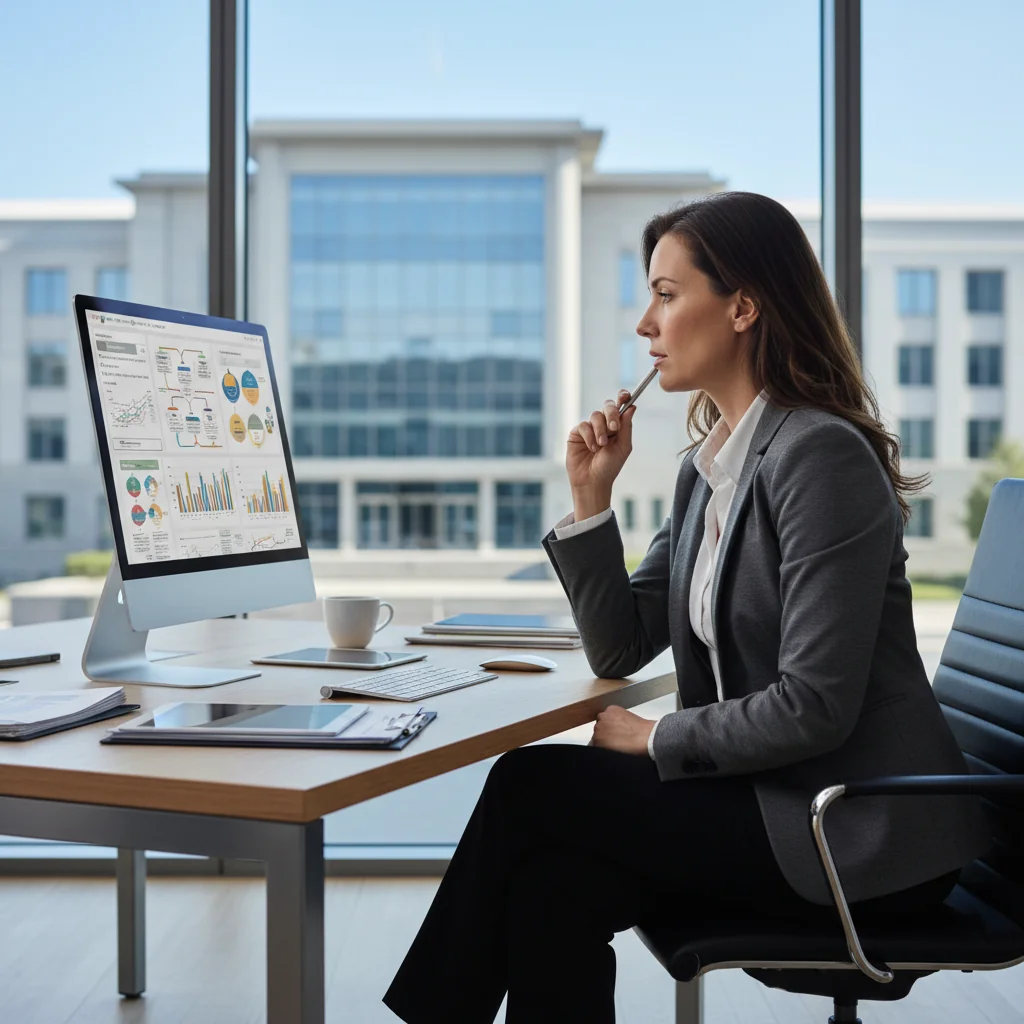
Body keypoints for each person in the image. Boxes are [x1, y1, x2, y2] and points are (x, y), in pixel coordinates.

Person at [383, 192, 989, 1024]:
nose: (645, 323)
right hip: (774, 802)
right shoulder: (711, 466)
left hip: (854, 834)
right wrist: (591, 500)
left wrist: (654, 737)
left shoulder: (819, 457)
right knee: (552, 884)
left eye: (667, 295)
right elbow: (622, 646)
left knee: (531, 785)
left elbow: (814, 707)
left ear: (742, 307)